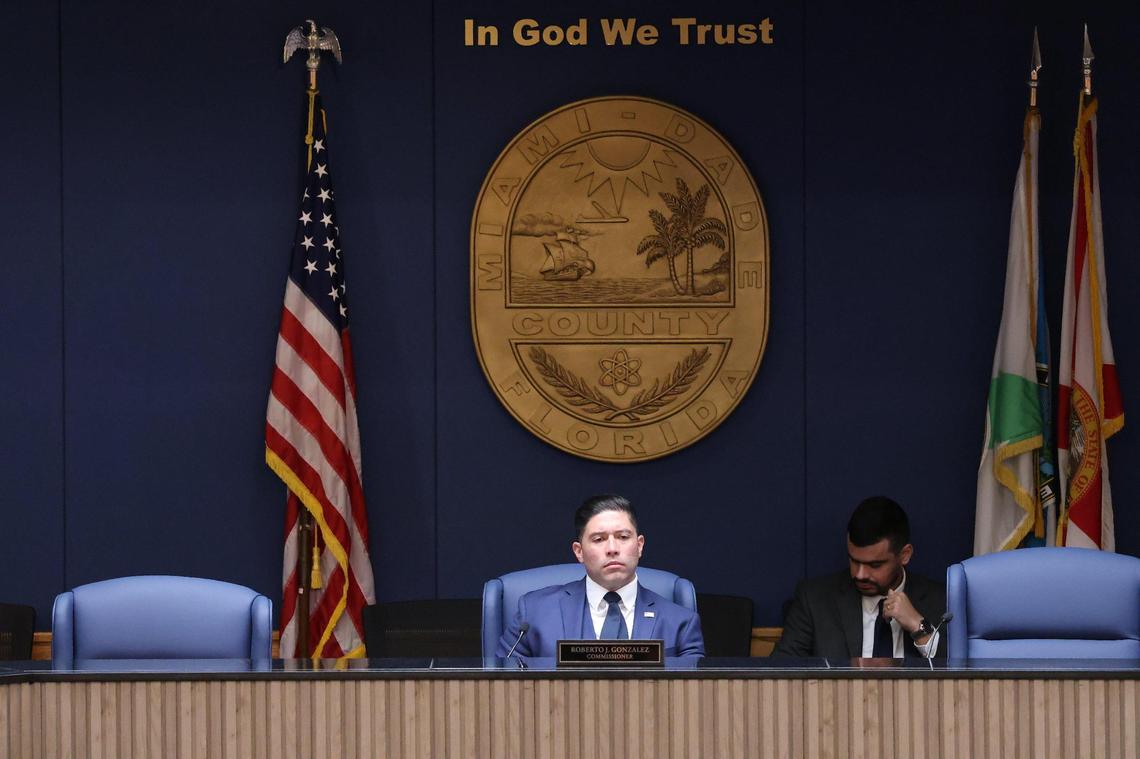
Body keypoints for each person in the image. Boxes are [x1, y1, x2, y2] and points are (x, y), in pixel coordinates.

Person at [495, 494, 705, 659]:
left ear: (639, 545)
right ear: (579, 551)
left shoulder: (681, 623)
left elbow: (692, 699)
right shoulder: (534, 613)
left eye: (623, 537)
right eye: (599, 539)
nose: (612, 548)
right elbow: (501, 687)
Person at [772, 495, 946, 659]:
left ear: (904, 555)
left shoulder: (940, 600)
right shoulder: (814, 599)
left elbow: (962, 678)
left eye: (875, 565)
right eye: (854, 561)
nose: (859, 574)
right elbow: (779, 671)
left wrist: (919, 627)